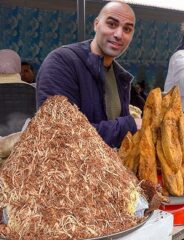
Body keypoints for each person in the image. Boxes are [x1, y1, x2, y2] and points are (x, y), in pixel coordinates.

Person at [36, 1, 140, 148]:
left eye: (127, 29)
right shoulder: (61, 63)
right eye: (111, 24)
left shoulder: (120, 77)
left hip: (110, 168)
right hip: (71, 170)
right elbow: (59, 135)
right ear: (96, 24)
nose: (118, 34)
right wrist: (129, 125)